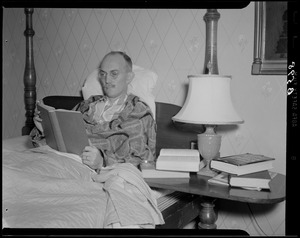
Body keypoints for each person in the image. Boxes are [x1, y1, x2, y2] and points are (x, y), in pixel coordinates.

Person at [31, 51, 156, 172]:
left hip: (90, 172)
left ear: (129, 77)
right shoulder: (86, 106)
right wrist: (46, 130)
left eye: (114, 74)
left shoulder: (139, 113)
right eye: (103, 74)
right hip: (62, 162)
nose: (106, 80)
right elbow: (64, 144)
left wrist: (102, 161)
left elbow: (144, 162)